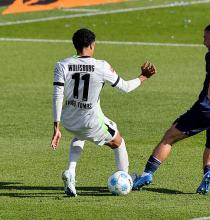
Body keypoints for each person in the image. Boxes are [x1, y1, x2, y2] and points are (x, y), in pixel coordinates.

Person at [132, 22, 210, 194]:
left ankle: (147, 174)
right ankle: (209, 175)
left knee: (169, 137)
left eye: (205, 38)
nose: (203, 42)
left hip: (207, 109)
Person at [50, 28, 156, 197]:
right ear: (92, 45)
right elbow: (126, 87)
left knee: (80, 135)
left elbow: (57, 94)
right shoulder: (101, 66)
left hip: (69, 120)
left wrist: (57, 127)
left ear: (75, 46)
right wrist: (143, 77)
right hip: (90, 121)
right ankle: (126, 178)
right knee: (118, 142)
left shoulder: (62, 65)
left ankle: (71, 171)